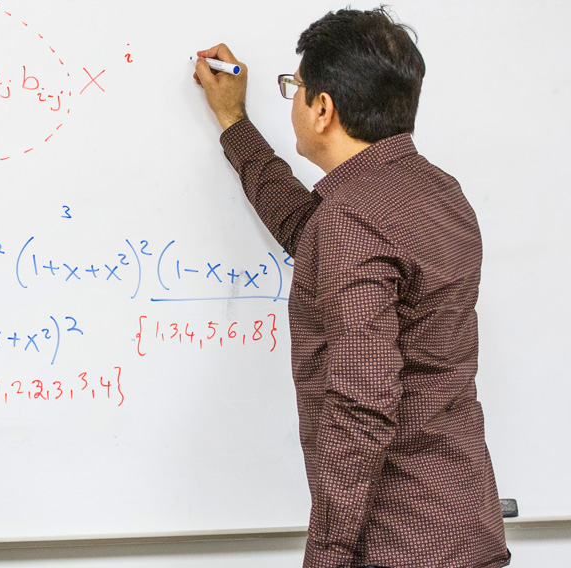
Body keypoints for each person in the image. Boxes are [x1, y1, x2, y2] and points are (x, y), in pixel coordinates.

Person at [194, 8, 510, 568]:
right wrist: (234, 123)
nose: (292, 99)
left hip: (400, 543)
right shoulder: (439, 192)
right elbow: (308, 230)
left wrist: (327, 556)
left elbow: (362, 403)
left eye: (295, 87)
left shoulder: (350, 221)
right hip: (465, 524)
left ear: (323, 109)